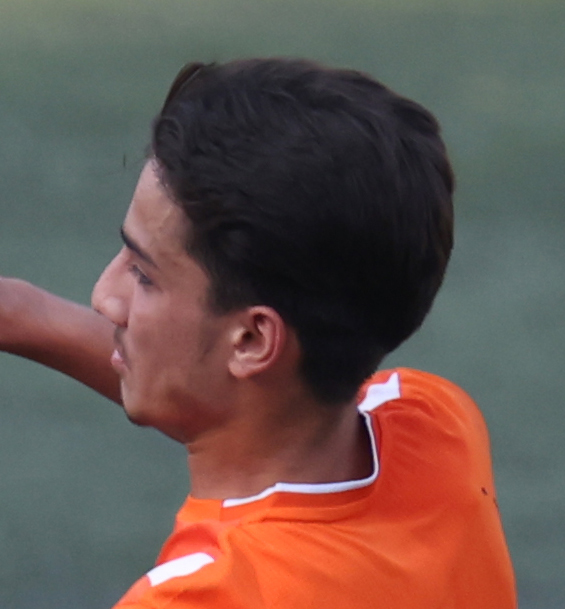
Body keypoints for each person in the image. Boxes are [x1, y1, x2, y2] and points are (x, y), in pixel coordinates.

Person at [0, 58, 516, 608]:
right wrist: (21, 312)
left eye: (144, 275)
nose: (105, 295)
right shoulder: (438, 429)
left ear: (251, 341)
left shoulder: (202, 598)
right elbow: (262, 408)